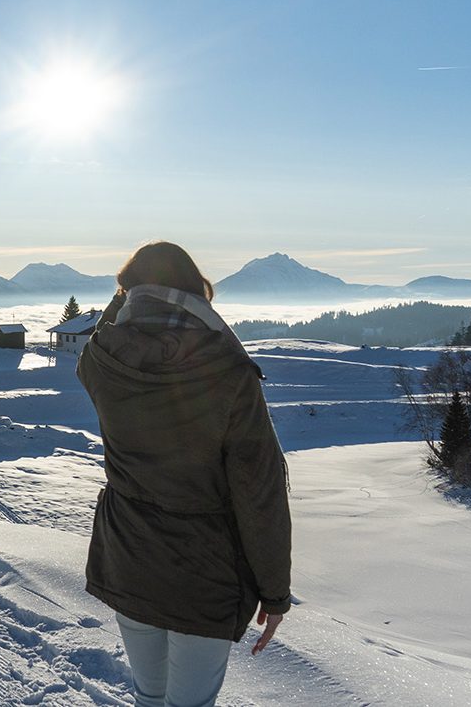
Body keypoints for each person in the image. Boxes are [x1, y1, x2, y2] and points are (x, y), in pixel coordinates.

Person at [77, 242, 291, 707]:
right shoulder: (227, 372)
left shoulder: (100, 362)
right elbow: (260, 494)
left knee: (149, 696)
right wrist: (275, 594)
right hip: (203, 574)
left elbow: (102, 334)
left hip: (128, 556)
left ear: (128, 293)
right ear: (196, 292)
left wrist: (126, 294)